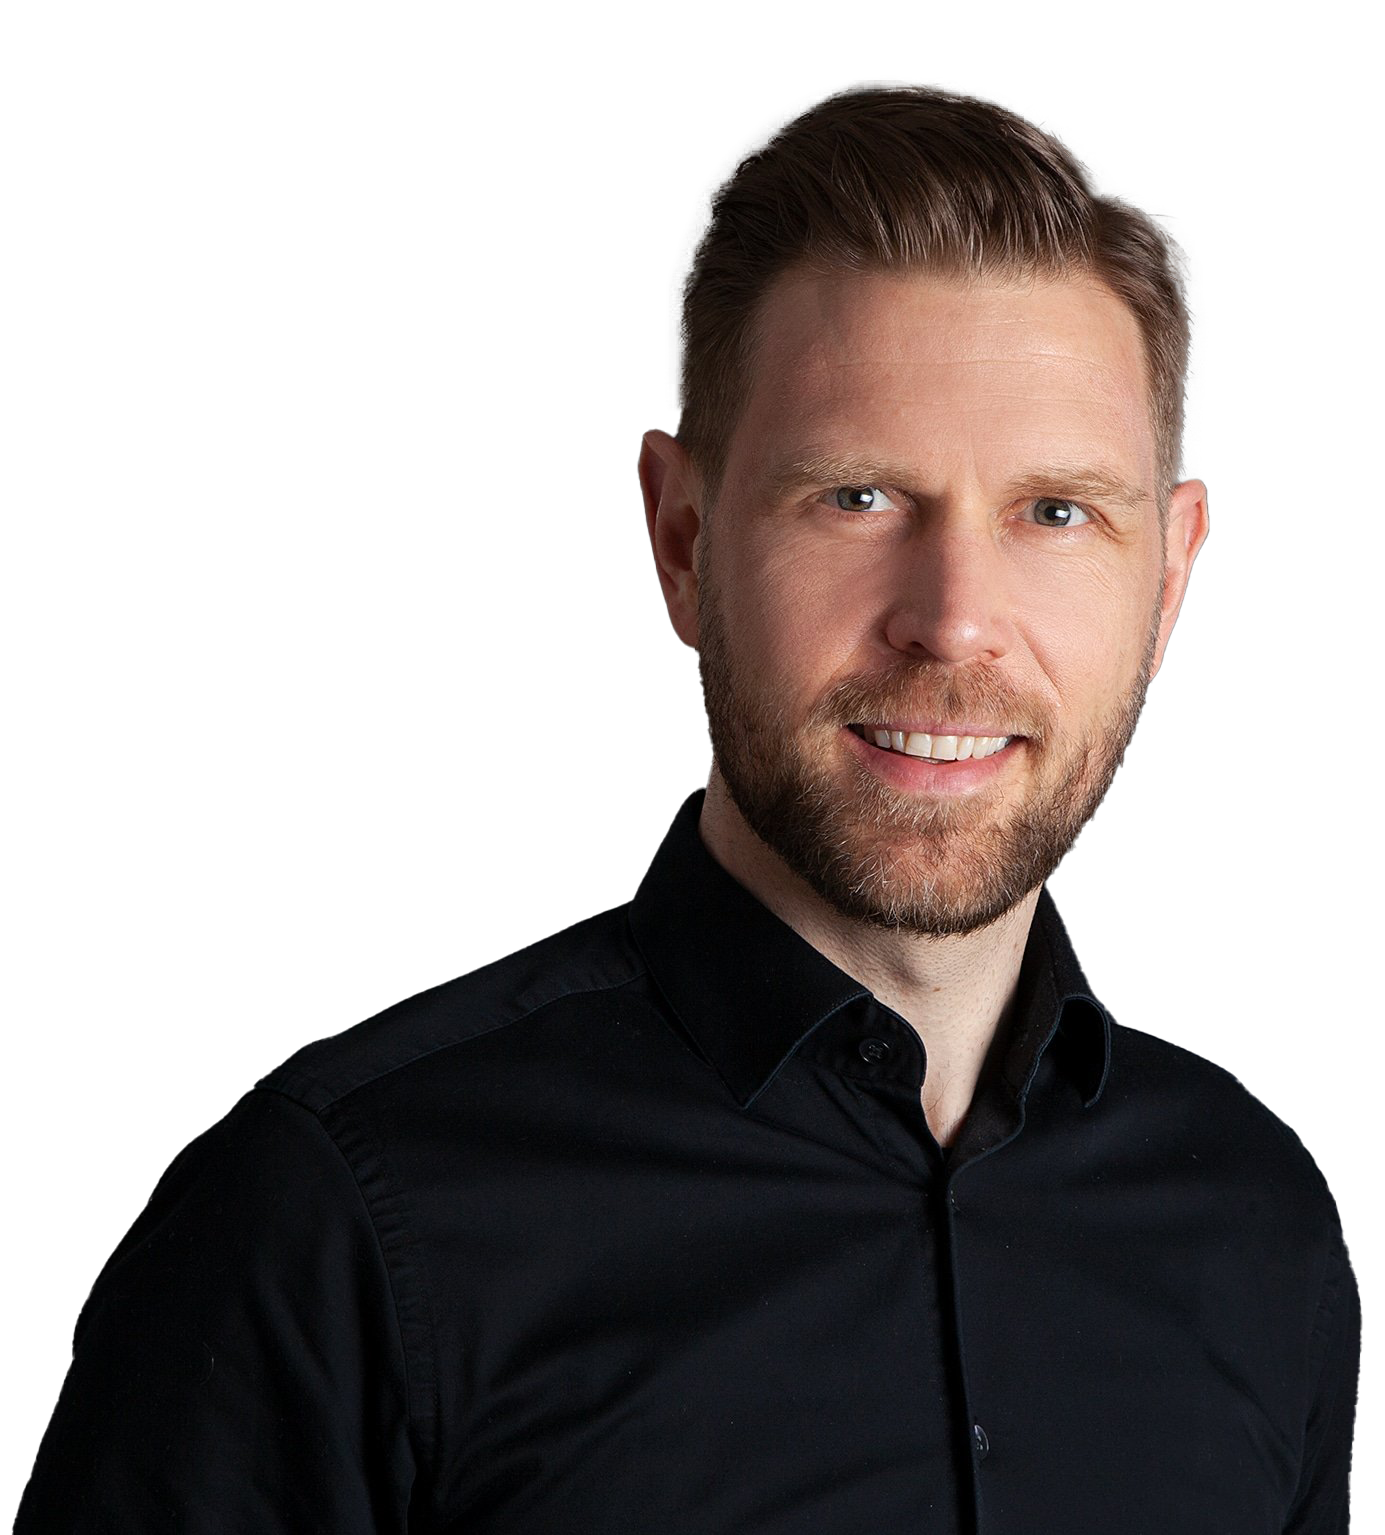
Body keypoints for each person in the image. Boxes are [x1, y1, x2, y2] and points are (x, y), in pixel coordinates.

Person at [19, 79, 1359, 1533]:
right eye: (858, 497)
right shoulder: (335, 1220)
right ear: (679, 540)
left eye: (1055, 511)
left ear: (1167, 582)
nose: (954, 621)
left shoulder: (1261, 1228)